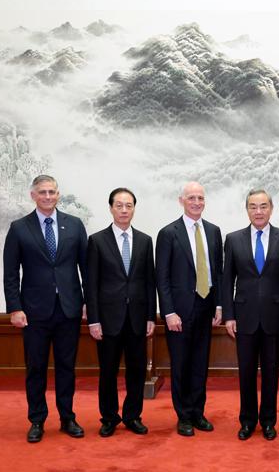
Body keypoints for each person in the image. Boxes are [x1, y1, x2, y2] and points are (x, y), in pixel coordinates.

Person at [3, 174, 87, 443]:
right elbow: (10, 273)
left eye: (52, 192)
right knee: (36, 368)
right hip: (34, 312)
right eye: (42, 192)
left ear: (58, 194)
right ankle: (37, 420)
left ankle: (67, 417)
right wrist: (14, 308)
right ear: (33, 195)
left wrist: (88, 302)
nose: (48, 196)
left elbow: (86, 268)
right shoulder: (19, 228)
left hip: (68, 309)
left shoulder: (74, 225)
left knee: (66, 367)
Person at [223, 189, 279, 441]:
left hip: (274, 317)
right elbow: (227, 281)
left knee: (270, 372)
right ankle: (247, 421)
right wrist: (229, 316)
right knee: (245, 372)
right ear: (247, 210)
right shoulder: (233, 240)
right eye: (253, 206)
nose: (258, 211)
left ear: (271, 208)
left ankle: (268, 421)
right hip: (243, 317)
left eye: (263, 206)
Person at [86, 187, 157, 437]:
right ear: (111, 208)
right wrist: (93, 319)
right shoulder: (97, 241)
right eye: (119, 205)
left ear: (134, 209)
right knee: (108, 371)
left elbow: (150, 282)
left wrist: (151, 316)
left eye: (129, 205)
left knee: (137, 371)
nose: (124, 210)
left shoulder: (145, 241)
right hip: (108, 320)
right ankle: (109, 417)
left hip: (137, 318)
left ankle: (132, 416)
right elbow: (91, 284)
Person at [156, 182, 223, 436]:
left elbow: (218, 271)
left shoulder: (214, 231)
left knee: (200, 364)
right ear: (181, 200)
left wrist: (219, 305)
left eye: (200, 198)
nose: (196, 202)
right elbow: (161, 277)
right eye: (191, 198)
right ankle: (183, 415)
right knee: (181, 364)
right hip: (179, 312)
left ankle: (197, 412)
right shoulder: (168, 233)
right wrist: (169, 312)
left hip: (206, 306)